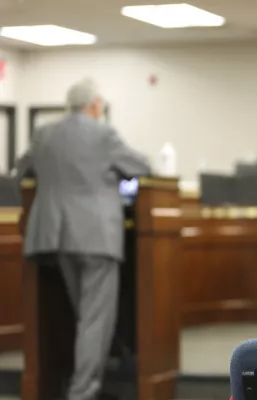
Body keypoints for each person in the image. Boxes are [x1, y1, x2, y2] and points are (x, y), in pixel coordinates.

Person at [16, 79, 150, 400]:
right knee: (94, 319)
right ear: (94, 105)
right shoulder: (103, 133)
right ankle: (82, 392)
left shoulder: (44, 134)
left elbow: (22, 169)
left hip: (55, 237)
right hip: (96, 238)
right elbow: (143, 166)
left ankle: (82, 384)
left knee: (83, 315)